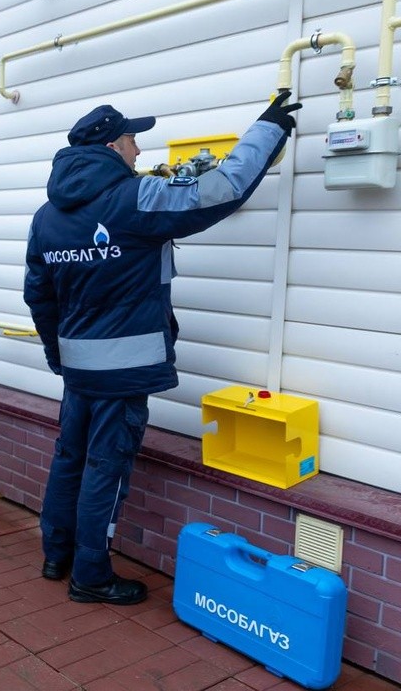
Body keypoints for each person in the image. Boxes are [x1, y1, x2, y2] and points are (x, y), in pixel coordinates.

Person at [23, 92, 302, 605]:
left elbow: (37, 296)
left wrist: (57, 355)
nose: (136, 148)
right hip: (125, 371)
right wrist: (268, 129)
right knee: (106, 468)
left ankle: (55, 555)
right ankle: (91, 576)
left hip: (78, 369)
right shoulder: (136, 198)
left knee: (69, 459)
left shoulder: (47, 216)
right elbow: (220, 188)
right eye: (132, 138)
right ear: (112, 144)